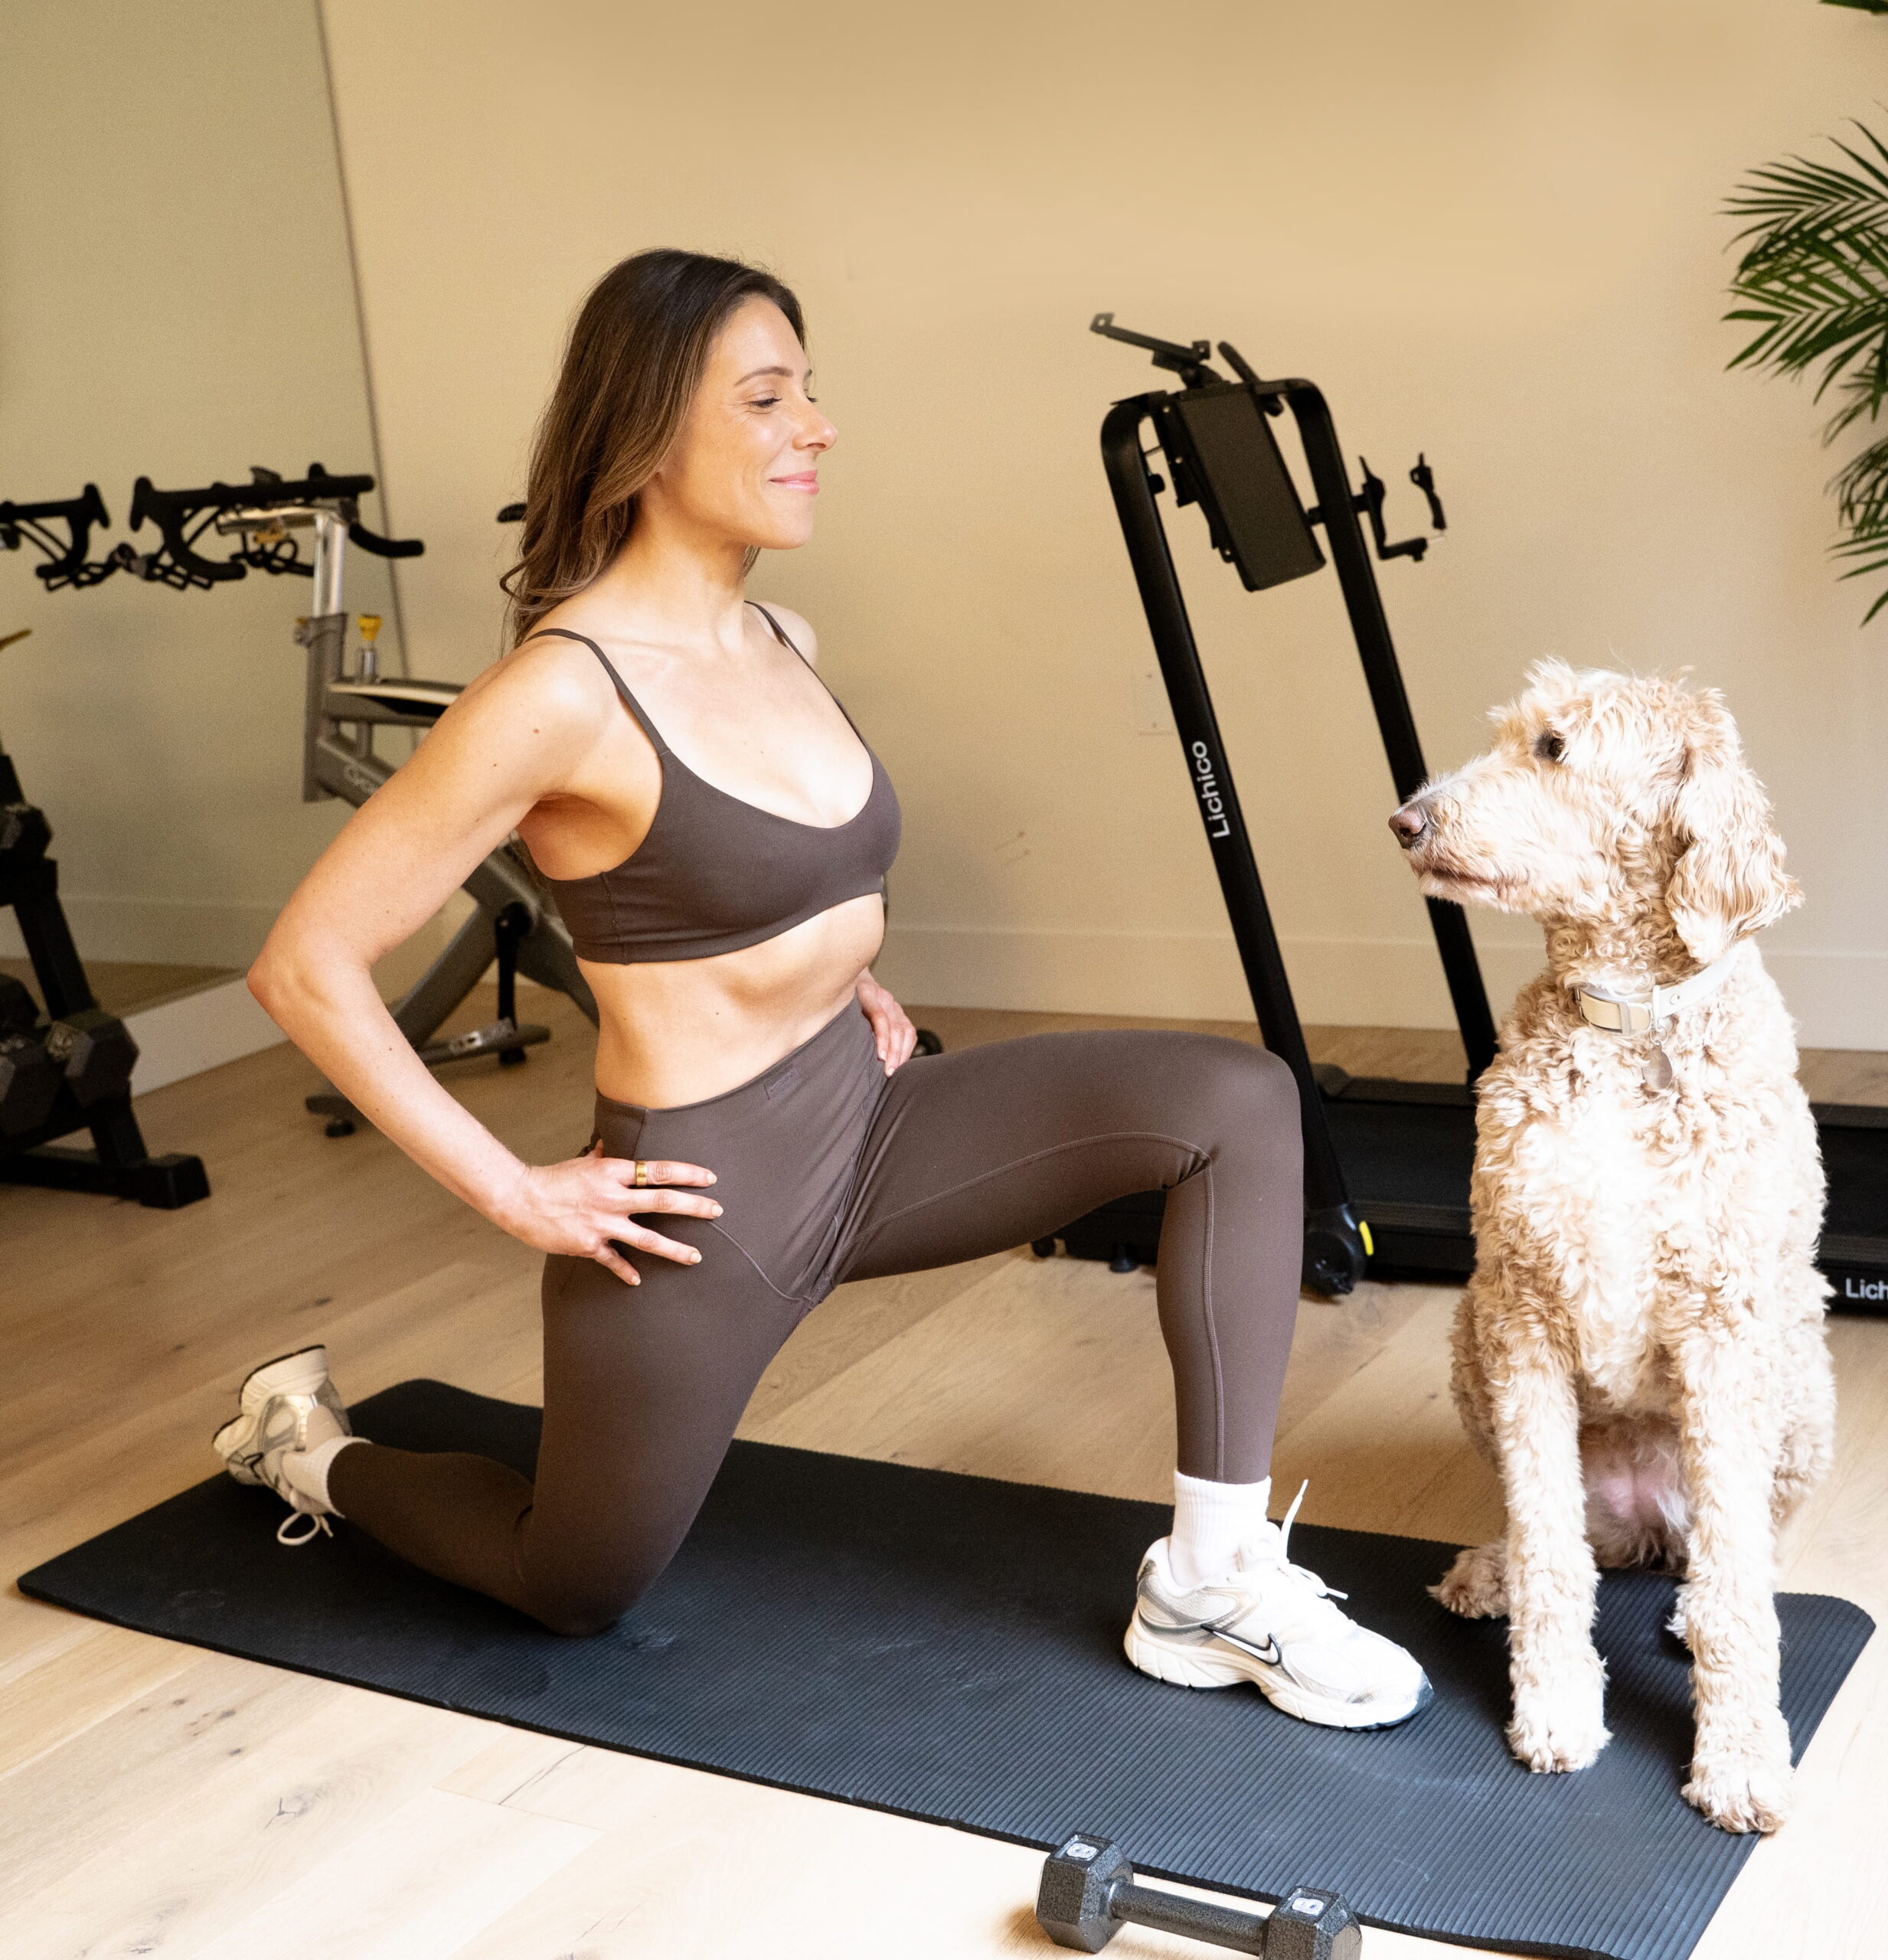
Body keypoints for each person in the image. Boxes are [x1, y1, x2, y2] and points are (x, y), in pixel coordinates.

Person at [216, 248, 1429, 1730]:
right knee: (573, 1582)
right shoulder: (560, 691)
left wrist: (852, 974)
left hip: (871, 1119)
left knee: (1233, 1101)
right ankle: (305, 1451)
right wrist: (513, 1191)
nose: (818, 427)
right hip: (701, 1200)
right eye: (770, 396)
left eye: (812, 390)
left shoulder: (784, 637)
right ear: (650, 430)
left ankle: (1212, 1574)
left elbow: (762, 878)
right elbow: (306, 964)